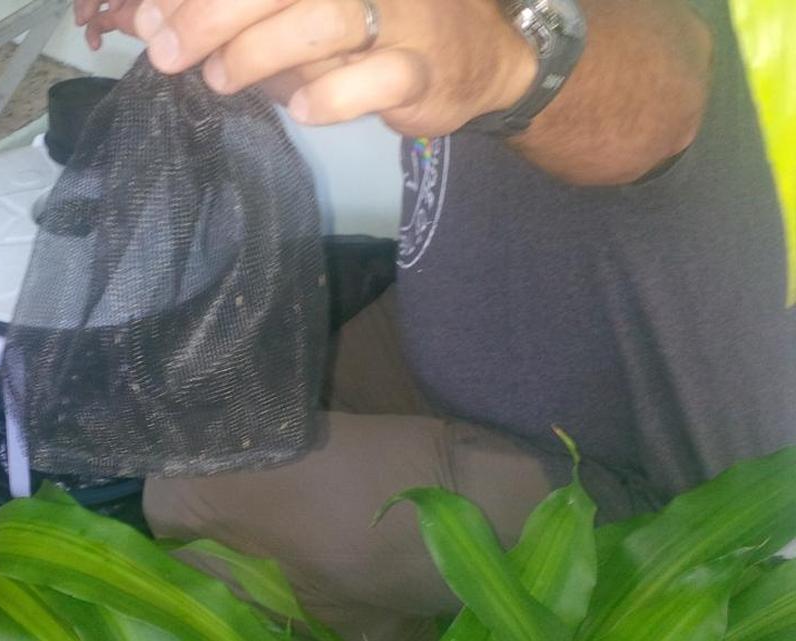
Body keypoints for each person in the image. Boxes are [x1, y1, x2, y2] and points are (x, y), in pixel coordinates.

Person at [76, 0, 796, 638]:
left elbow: (662, 88)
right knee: (212, 406)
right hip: (472, 334)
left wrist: (508, 57)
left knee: (200, 489)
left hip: (646, 488)